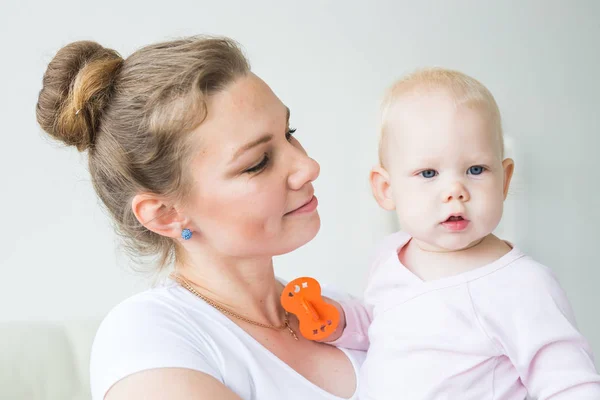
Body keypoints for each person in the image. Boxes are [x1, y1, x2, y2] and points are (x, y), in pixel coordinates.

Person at [36, 36, 364, 400]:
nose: (307, 166)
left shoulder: (343, 310)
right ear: (165, 214)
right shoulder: (149, 338)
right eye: (257, 163)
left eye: (290, 134)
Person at [325, 68, 600, 399]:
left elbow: (570, 384)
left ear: (505, 179)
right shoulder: (389, 255)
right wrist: (340, 321)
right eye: (428, 173)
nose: (455, 190)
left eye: (475, 170)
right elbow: (380, 325)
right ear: (386, 189)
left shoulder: (522, 284)